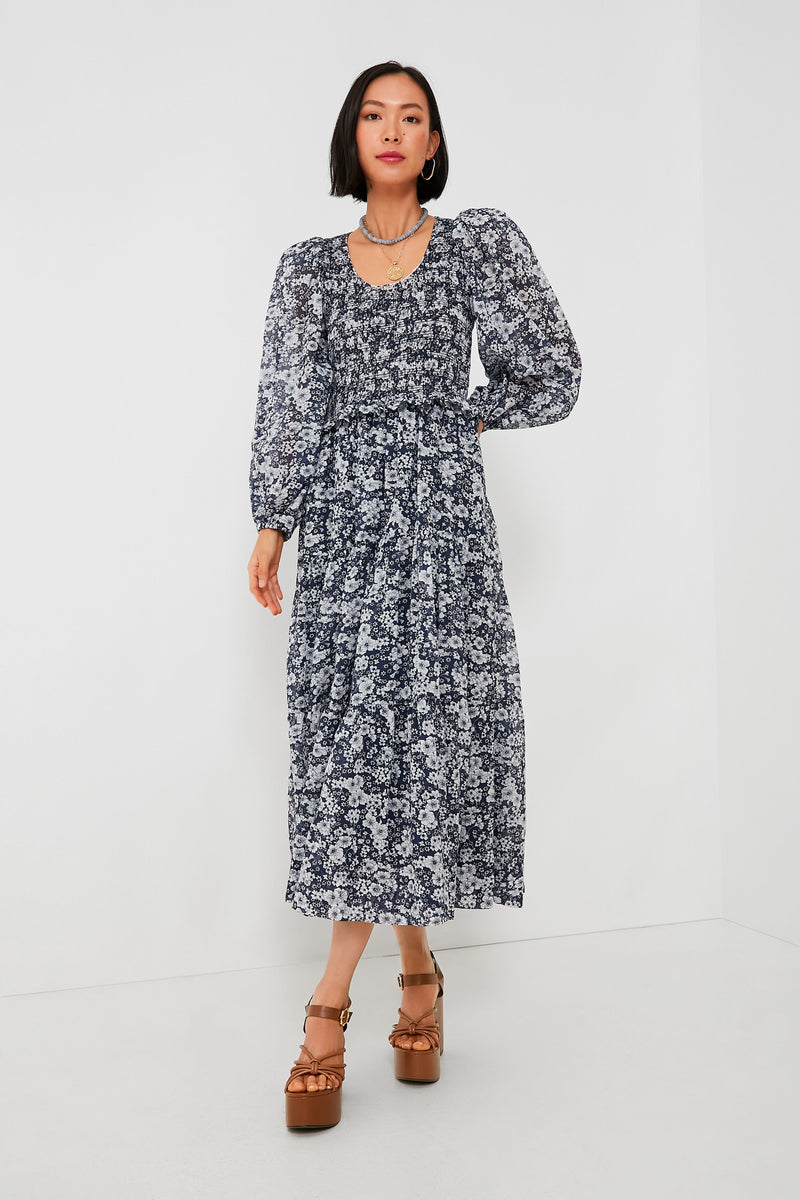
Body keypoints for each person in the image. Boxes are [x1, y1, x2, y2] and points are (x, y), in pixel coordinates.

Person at [247, 60, 582, 1130]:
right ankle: (420, 981)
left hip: (439, 529)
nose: (391, 131)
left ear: (433, 145)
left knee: (421, 743)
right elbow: (288, 406)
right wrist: (271, 521)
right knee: (356, 753)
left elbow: (553, 370)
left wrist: (458, 420)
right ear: (351, 140)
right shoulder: (305, 269)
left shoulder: (476, 241)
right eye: (373, 116)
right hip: (345, 533)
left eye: (412, 117)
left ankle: (326, 1010)